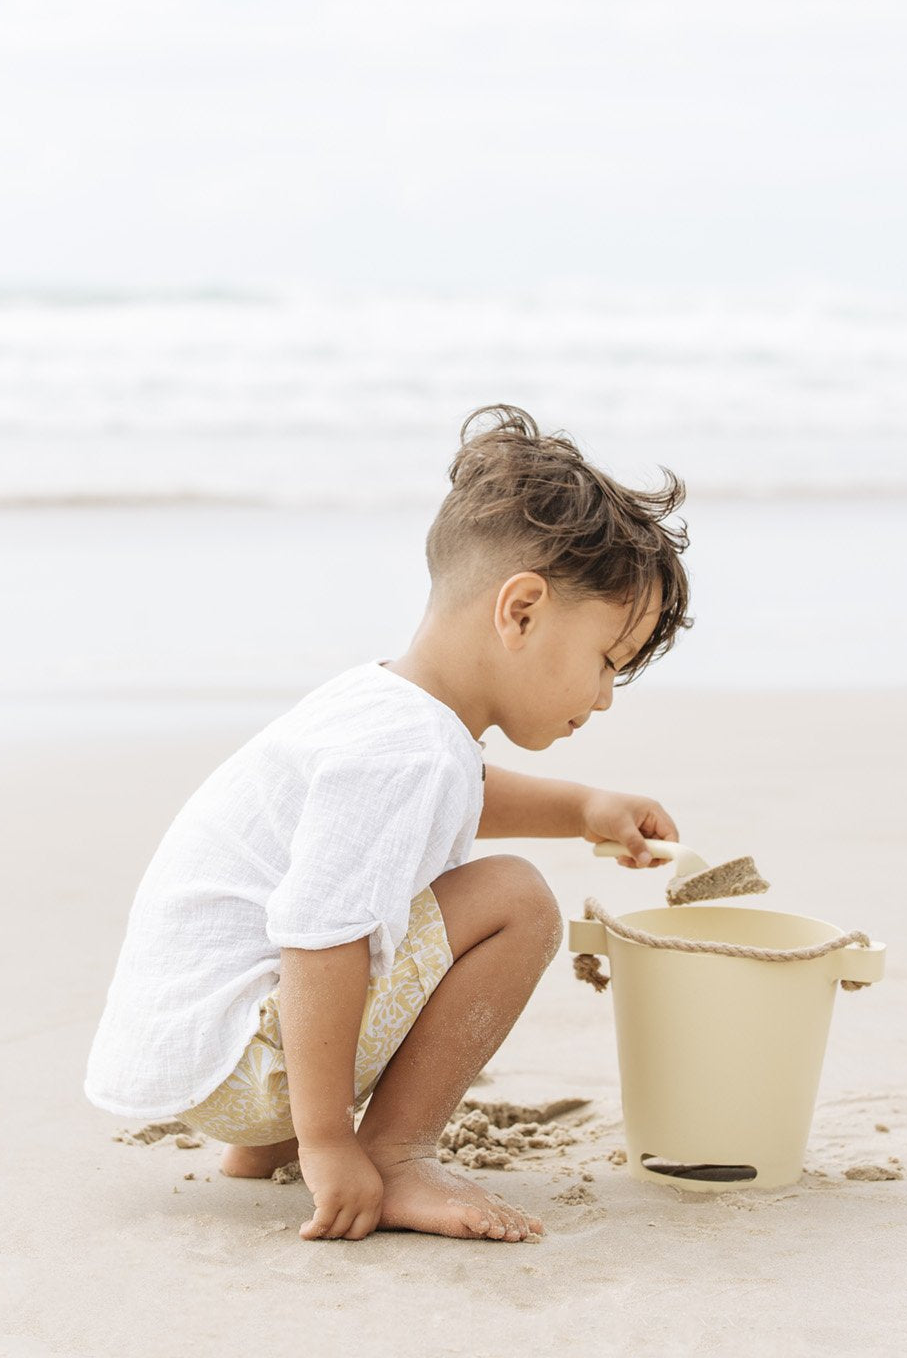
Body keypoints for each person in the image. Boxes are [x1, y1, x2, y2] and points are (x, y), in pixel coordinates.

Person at [84, 405, 693, 1244]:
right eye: (605, 663)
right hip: (244, 1058)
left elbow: (463, 793)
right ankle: (399, 1153)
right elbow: (319, 933)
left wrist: (585, 807)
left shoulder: (391, 711)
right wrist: (331, 1142)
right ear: (519, 612)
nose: (602, 698)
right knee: (517, 899)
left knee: (439, 894)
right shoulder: (407, 751)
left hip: (199, 1042)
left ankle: (263, 1148)